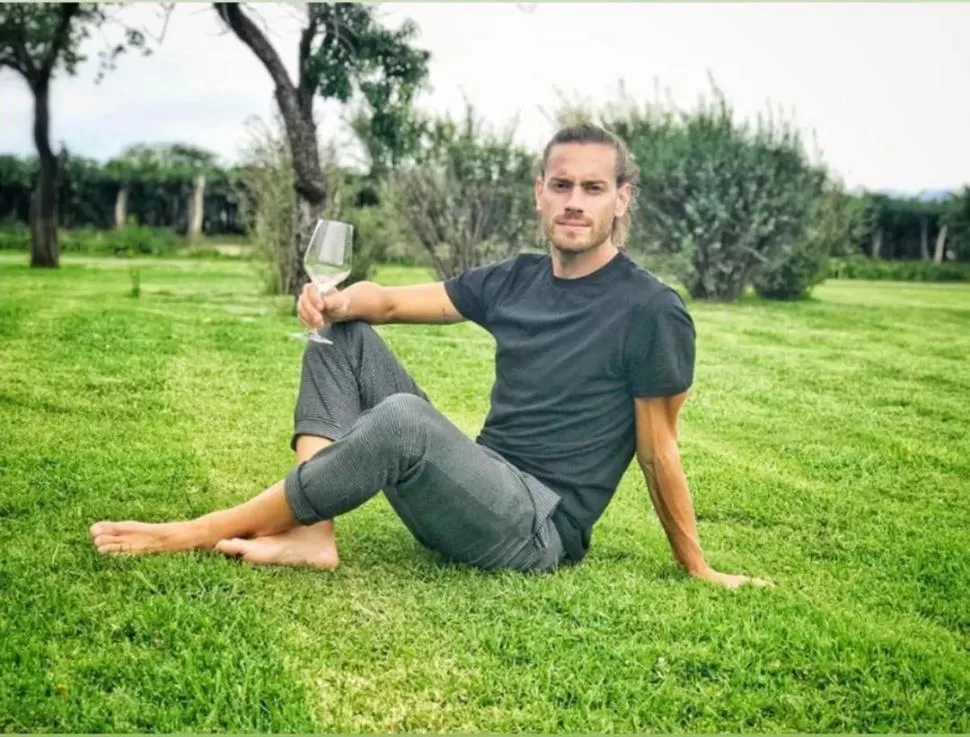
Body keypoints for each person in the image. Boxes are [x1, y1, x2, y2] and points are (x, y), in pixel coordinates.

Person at [90, 123, 770, 589]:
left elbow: (660, 451)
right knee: (342, 333)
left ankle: (196, 530)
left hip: (535, 528)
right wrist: (331, 300)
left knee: (404, 419)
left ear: (622, 200)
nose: (573, 202)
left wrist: (698, 567)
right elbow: (385, 303)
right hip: (479, 485)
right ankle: (312, 533)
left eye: (593, 188)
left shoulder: (651, 309)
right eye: (560, 185)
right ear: (539, 192)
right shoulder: (516, 278)